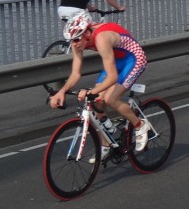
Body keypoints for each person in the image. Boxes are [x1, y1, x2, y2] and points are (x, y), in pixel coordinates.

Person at [48, 14, 151, 158]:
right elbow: (76, 73)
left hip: (133, 58)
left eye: (77, 39)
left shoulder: (101, 38)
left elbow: (112, 77)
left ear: (88, 33)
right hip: (115, 58)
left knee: (110, 98)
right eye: (71, 40)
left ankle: (140, 124)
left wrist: (92, 91)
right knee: (96, 101)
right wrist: (62, 92)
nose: (75, 44)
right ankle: (106, 144)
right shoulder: (77, 41)